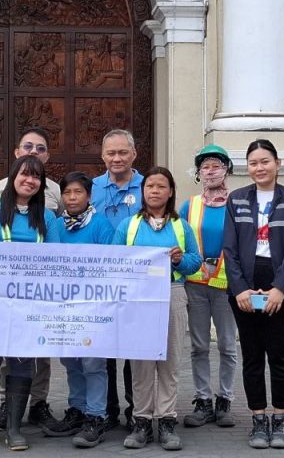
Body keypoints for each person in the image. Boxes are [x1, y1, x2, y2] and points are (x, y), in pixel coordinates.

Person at [0, 155, 61, 451]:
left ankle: (15, 430)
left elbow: (56, 256)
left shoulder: (47, 217)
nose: (29, 181)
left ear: (41, 184)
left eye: (36, 177)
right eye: (24, 174)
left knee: (22, 361)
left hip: (30, 302)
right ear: (13, 176)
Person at [222, 139, 284, 449]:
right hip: (244, 284)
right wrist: (240, 289)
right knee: (252, 355)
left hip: (280, 284)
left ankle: (281, 418)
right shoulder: (236, 200)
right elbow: (229, 250)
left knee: (279, 354)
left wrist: (280, 289)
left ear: (277, 163)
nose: (259, 168)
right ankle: (258, 419)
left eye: (265, 161)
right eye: (254, 163)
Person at [115, 167, 201, 451]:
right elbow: (114, 260)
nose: (154, 190)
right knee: (141, 362)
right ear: (143, 191)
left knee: (169, 360)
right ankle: (141, 421)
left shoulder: (181, 226)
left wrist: (178, 260)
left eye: (161, 186)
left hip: (172, 292)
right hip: (137, 297)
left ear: (170, 191)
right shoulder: (128, 226)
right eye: (149, 185)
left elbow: (195, 262)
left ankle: (166, 420)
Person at [0, 127, 62, 431]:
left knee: (40, 351)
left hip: (39, 290)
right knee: (9, 350)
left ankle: (38, 403)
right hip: (5, 289)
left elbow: (56, 242)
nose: (34, 151)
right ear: (17, 153)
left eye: (40, 148)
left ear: (47, 156)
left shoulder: (54, 192)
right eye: (28, 146)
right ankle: (9, 401)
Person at [44, 171, 116, 447]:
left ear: (89, 196)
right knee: (70, 359)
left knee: (93, 362)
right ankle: (77, 409)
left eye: (78, 192)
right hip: (64, 304)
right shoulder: (56, 225)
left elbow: (110, 264)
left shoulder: (101, 225)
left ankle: (97, 416)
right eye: (67, 193)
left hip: (93, 305)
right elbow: (51, 260)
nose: (72, 198)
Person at [180, 145, 238, 429]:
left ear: (227, 168)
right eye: (205, 167)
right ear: (198, 173)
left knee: (227, 345)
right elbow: (179, 240)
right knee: (199, 346)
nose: (210, 170)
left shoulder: (239, 202)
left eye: (216, 164)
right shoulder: (189, 205)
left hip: (227, 285)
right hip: (196, 283)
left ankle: (224, 399)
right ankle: (203, 400)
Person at [89, 128, 144, 430]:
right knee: (104, 349)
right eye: (111, 153)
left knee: (133, 349)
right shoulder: (92, 187)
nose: (117, 158)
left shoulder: (148, 187)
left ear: (134, 154)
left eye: (123, 152)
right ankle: (107, 410)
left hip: (136, 283)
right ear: (102, 156)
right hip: (99, 283)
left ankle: (136, 410)